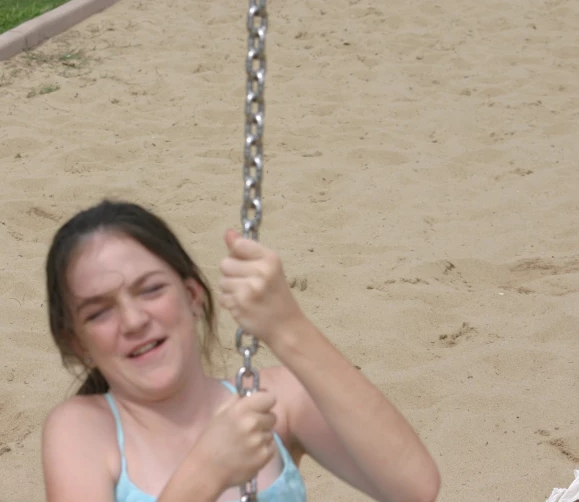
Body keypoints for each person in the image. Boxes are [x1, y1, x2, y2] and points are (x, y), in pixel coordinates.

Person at [41, 199, 441, 502]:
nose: (133, 321)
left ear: (193, 296)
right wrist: (205, 473)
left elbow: (414, 487)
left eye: (150, 289)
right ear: (78, 342)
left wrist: (288, 327)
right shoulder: (84, 431)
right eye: (99, 312)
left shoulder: (272, 403)